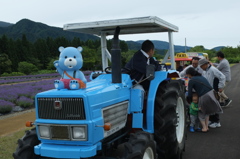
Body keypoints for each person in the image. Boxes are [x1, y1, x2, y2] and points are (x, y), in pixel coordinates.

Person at [186, 67, 222, 132]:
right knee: (207, 112)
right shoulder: (202, 77)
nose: (187, 76)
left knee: (201, 112)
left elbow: (189, 94)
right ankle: (207, 126)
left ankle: (204, 128)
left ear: (189, 74)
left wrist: (191, 102)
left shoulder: (192, 80)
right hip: (211, 94)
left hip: (204, 96)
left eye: (187, 75)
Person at [198, 58, 225, 129]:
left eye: (201, 66)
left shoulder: (213, 69)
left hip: (214, 90)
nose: (201, 67)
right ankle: (212, 120)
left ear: (205, 64)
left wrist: (220, 87)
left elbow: (222, 77)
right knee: (210, 106)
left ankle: (217, 122)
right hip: (208, 91)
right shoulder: (205, 71)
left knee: (215, 105)